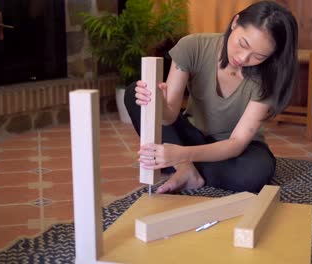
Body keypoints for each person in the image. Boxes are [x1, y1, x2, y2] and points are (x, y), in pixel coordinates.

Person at [125, 1, 298, 194]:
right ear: (235, 22)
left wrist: (181, 154)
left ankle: (178, 163)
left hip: (235, 149)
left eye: (258, 56)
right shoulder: (193, 46)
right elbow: (169, 116)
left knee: (254, 174)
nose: (243, 58)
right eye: (242, 44)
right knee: (136, 93)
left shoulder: (269, 77)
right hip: (192, 135)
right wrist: (157, 102)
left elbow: (236, 144)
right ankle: (184, 169)